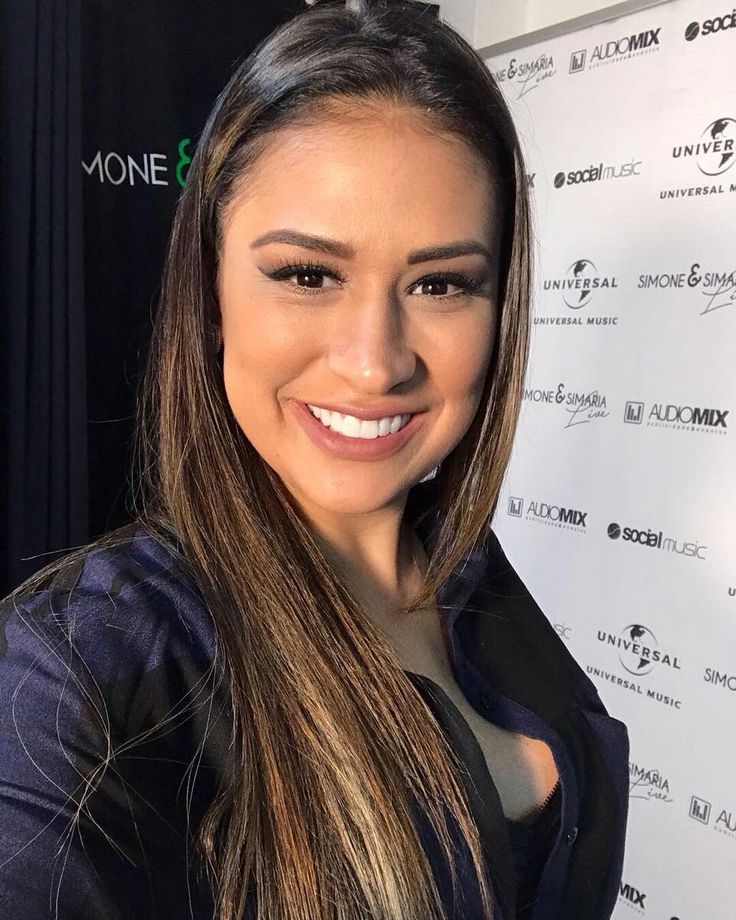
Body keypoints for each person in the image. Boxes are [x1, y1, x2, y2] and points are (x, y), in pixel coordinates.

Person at [0, 2, 630, 918]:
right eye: (307, 275)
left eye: (441, 283)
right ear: (210, 290)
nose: (376, 361)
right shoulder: (74, 682)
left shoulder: (472, 573)